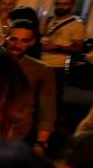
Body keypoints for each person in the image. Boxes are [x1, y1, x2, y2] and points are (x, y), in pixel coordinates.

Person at [5, 19, 56, 150]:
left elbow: (48, 109)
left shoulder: (42, 69)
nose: (17, 44)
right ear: (6, 38)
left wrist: (40, 143)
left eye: (24, 41)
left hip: (20, 133)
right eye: (13, 39)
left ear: (32, 42)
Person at [40, 0, 85, 102]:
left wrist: (56, 47)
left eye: (65, 4)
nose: (60, 7)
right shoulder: (50, 20)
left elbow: (78, 48)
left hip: (57, 67)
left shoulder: (77, 24)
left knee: (53, 97)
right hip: (42, 62)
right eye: (58, 4)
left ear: (72, 5)